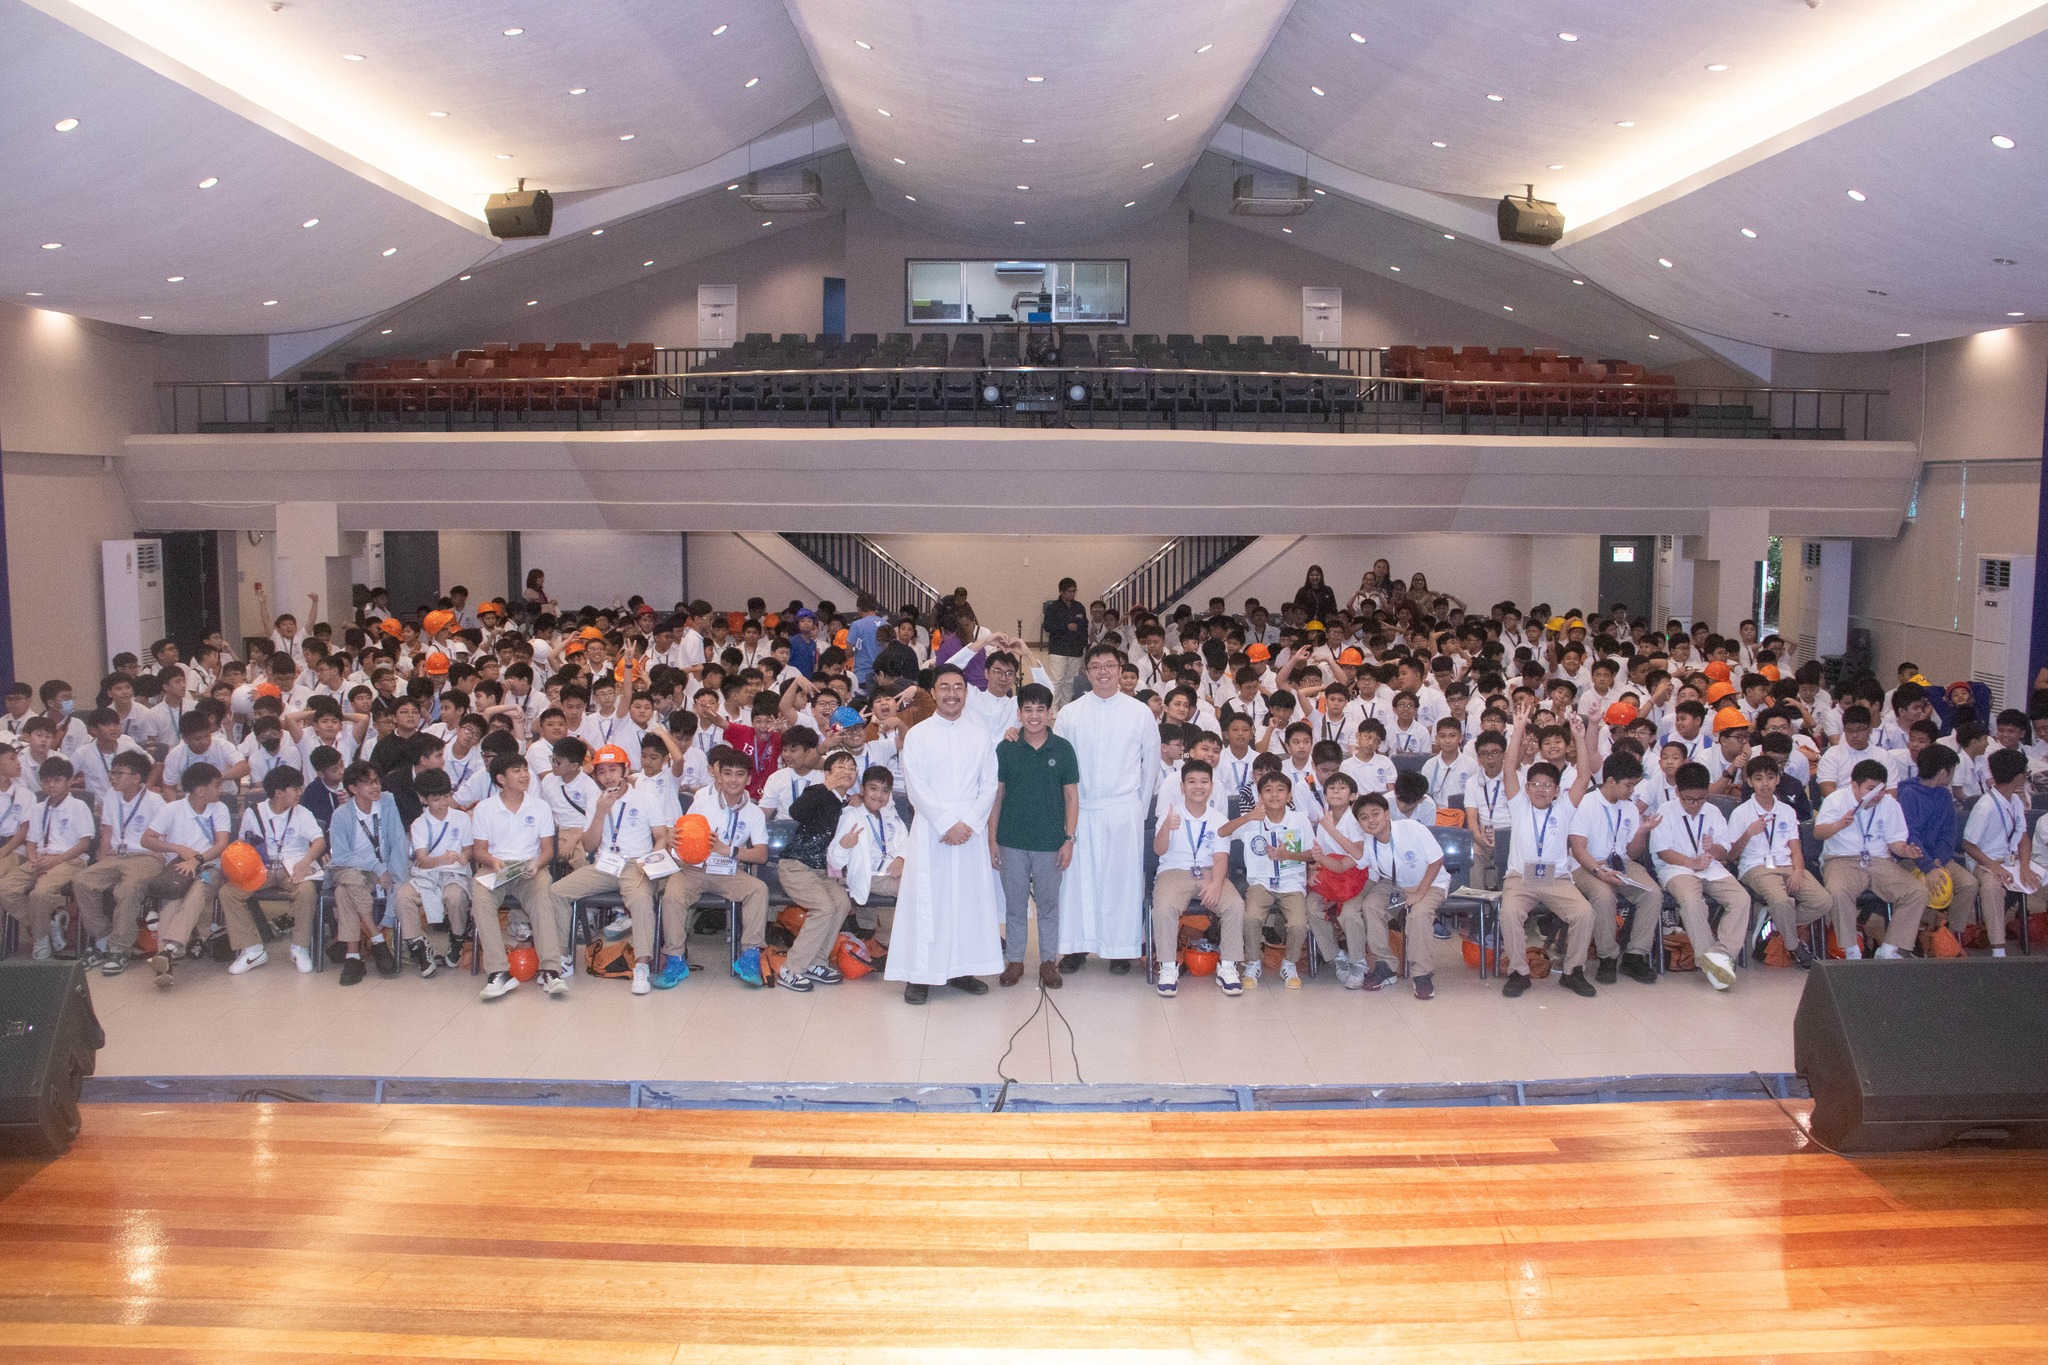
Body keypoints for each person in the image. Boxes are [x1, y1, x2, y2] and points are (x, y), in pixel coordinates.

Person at [886, 666, 1004, 1004]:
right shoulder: (919, 734)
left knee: (966, 900)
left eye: (958, 687)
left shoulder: (980, 734)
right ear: (934, 693)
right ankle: (919, 974)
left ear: (966, 692)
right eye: (944, 687)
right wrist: (946, 823)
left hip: (969, 831)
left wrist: (967, 823)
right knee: (928, 901)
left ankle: (961, 968)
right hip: (932, 830)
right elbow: (916, 788)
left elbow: (989, 784)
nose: (952, 693)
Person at [1052, 644, 1162, 974]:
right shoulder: (1071, 713)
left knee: (1121, 881)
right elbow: (1058, 765)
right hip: (1081, 809)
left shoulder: (1138, 712)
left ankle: (1119, 949)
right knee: (1077, 881)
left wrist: (1137, 810)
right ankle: (1076, 947)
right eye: (1096, 666)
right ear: (1086, 673)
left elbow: (1151, 764)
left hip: (1122, 809)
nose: (1103, 671)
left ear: (1120, 669)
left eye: (1109, 665)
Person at [548, 744, 673, 994]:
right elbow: (589, 845)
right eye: (602, 772)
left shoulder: (645, 798)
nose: (608, 777)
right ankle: (564, 955)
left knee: (639, 901)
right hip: (604, 866)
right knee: (557, 891)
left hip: (636, 863)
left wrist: (651, 860)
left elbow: (661, 836)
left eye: (613, 769)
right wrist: (600, 813)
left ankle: (641, 966)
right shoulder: (597, 801)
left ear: (625, 770)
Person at [1496, 705, 1598, 998]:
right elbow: (1508, 768)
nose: (1541, 789)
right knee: (1510, 912)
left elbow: (1583, 775)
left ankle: (1573, 971)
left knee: (1585, 913)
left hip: (1557, 879)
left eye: (1548, 785)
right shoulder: (1518, 804)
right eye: (1536, 784)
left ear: (1556, 790)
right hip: (1520, 879)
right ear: (1527, 787)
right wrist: (1517, 730)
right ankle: (1518, 971)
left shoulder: (1565, 807)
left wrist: (1579, 736)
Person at [991, 682, 1079, 988]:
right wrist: (992, 840)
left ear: (1049, 713)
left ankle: (1047, 962)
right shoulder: (1006, 748)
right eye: (1028, 709)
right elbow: (997, 797)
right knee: (1015, 905)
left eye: (1040, 709)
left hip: (1050, 843)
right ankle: (1014, 961)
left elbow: (1071, 798)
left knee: (1048, 905)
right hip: (1011, 840)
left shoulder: (1064, 749)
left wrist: (1068, 840)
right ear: (1019, 713)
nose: (1034, 715)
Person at [668, 746, 772, 987]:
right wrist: (676, 844)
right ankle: (674, 958)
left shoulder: (755, 813)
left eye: (739, 774)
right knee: (672, 895)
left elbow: (762, 855)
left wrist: (729, 850)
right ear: (718, 776)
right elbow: (681, 842)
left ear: (748, 779)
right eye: (727, 773)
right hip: (694, 868)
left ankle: (749, 956)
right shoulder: (701, 803)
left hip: (729, 870)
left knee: (759, 889)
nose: (733, 780)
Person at [1647, 762, 1753, 991]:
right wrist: (1692, 862)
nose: (1695, 805)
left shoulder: (1713, 811)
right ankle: (1711, 961)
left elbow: (1725, 851)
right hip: (1677, 868)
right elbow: (1663, 851)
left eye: (1701, 798)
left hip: (1711, 868)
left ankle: (1719, 956)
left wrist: (1712, 847)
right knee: (1692, 902)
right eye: (1689, 799)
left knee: (1741, 899)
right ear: (1677, 792)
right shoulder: (1665, 810)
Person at [1730, 754, 1842, 970]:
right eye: (1759, 778)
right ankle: (1794, 946)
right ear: (1750, 782)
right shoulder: (1740, 813)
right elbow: (1731, 855)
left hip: (1787, 865)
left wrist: (1798, 871)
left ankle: (1776, 921)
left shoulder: (1787, 811)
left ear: (1778, 780)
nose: (1765, 784)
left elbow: (1795, 847)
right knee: (1782, 901)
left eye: (1770, 778)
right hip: (1756, 867)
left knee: (1824, 901)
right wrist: (1748, 834)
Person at [470, 752, 564, 998]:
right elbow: (479, 850)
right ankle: (499, 972)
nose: (524, 775)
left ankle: (550, 970)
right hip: (495, 867)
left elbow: (548, 851)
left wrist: (536, 863)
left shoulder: (540, 807)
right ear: (501, 778)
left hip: (530, 866)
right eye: (517, 771)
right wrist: (492, 861)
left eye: (525, 769)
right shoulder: (485, 808)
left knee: (544, 897)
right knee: (480, 899)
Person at [1815, 758, 1927, 960]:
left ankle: (1889, 949)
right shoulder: (1836, 799)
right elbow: (1818, 833)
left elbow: (1895, 843)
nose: (1878, 795)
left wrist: (1906, 851)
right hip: (1842, 858)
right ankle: (1850, 950)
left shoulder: (1890, 804)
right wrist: (1839, 824)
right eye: (1871, 789)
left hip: (1879, 860)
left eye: (1881, 789)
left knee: (1917, 892)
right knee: (1839, 892)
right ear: (1855, 786)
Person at [1150, 757, 1244, 997]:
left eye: (1203, 781)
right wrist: (1165, 828)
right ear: (1182, 787)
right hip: (1174, 871)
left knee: (1235, 904)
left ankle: (1229, 966)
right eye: (1191, 781)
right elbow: (1159, 851)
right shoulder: (1169, 814)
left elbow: (1221, 858)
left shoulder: (1218, 819)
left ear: (1211, 786)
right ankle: (1168, 967)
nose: (1197, 786)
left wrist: (1216, 884)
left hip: (1209, 871)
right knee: (1163, 907)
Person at [218, 765, 325, 975]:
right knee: (228, 893)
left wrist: (306, 861)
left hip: (293, 867)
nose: (299, 793)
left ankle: (300, 947)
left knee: (306, 891)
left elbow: (319, 841)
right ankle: (252, 948)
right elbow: (242, 845)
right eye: (295, 789)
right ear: (279, 793)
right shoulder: (253, 813)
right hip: (261, 869)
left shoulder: (302, 813)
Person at [1567, 750, 1662, 985]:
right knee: (1603, 895)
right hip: (1587, 864)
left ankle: (1634, 955)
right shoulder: (1586, 803)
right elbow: (1578, 849)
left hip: (1621, 863)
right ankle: (1607, 957)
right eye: (1628, 786)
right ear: (1610, 781)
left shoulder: (1629, 807)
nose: (1632, 791)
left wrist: (1641, 832)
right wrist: (1600, 873)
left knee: (1652, 893)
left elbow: (1632, 854)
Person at [138, 761, 233, 986]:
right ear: (200, 790)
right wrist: (177, 849)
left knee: (197, 893)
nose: (220, 790)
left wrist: (197, 859)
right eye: (216, 785)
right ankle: (166, 959)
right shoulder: (172, 809)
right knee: (172, 902)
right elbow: (147, 839)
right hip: (178, 869)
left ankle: (168, 951)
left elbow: (222, 844)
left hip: (210, 868)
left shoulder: (219, 809)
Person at [1346, 790, 1448, 997]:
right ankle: (1385, 965)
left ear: (1387, 813)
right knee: (1370, 906)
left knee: (1418, 914)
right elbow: (1356, 862)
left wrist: (1420, 892)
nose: (1371, 821)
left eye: (1375, 814)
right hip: (1396, 885)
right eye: (1364, 818)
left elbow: (1437, 860)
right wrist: (1330, 830)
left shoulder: (1412, 828)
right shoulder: (1370, 843)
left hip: (1430, 882)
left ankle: (1422, 974)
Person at [1221, 771, 1316, 989]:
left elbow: (1312, 855)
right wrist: (1247, 817)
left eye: (1280, 790)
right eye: (1268, 790)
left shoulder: (1299, 820)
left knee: (1299, 924)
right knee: (1251, 918)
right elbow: (1222, 832)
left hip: (1291, 882)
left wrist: (1289, 855)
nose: (1274, 795)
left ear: (1290, 795)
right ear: (1260, 796)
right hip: (1261, 882)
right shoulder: (1253, 821)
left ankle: (1289, 963)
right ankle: (1253, 961)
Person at [0, 757, 93, 959]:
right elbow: (31, 842)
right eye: (46, 781)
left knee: (39, 894)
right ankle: (50, 923)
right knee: (5, 888)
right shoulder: (38, 808)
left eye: (57, 780)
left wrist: (55, 861)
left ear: (69, 781)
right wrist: (33, 860)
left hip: (69, 860)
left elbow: (84, 844)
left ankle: (40, 939)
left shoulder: (78, 807)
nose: (50, 785)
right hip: (40, 859)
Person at [325, 760, 408, 985]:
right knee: (351, 878)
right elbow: (341, 856)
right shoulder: (341, 814)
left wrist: (394, 876)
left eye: (376, 781)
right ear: (353, 788)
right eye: (367, 783)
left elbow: (399, 843)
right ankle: (377, 939)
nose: (375, 787)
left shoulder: (388, 803)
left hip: (374, 873)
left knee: (344, 893)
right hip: (347, 868)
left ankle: (353, 957)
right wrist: (376, 866)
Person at [1041, 578, 1089, 703]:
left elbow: (1085, 626)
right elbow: (1047, 627)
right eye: (1069, 591)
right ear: (1061, 592)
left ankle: (1066, 705)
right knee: (1057, 680)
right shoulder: (1053, 608)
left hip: (1075, 650)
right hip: (1058, 649)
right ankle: (1053, 707)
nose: (1072, 594)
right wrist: (1066, 627)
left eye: (1074, 591)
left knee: (1070, 681)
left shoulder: (1079, 607)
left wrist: (1083, 643)